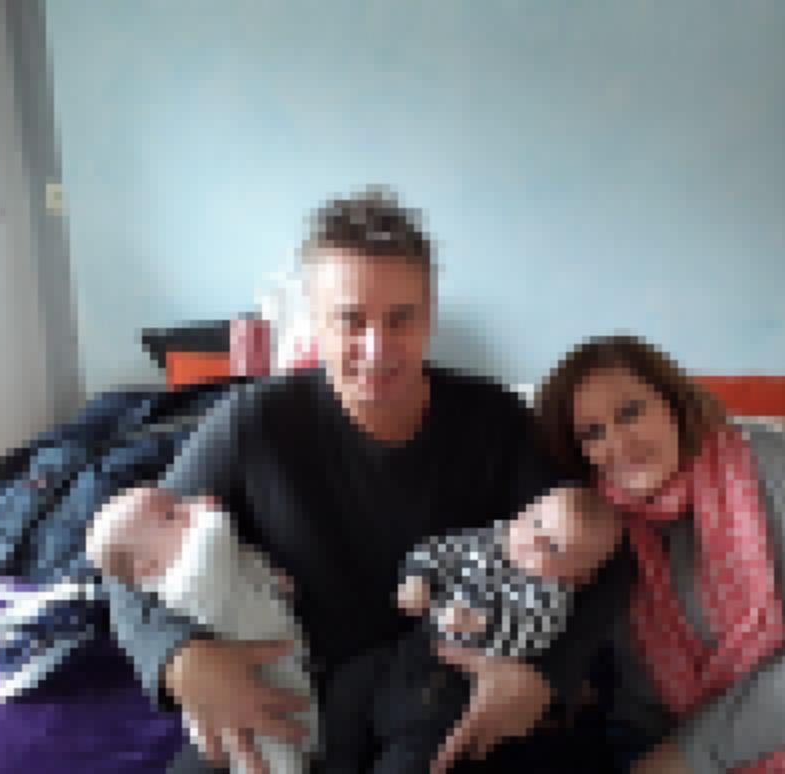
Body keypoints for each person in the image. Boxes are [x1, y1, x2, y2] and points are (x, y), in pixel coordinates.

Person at [98, 189, 629, 774]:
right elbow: (123, 560)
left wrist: (546, 676)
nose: (377, 350)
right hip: (285, 697)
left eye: (401, 318)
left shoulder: (497, 419)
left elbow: (610, 556)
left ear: (429, 315)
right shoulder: (251, 421)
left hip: (441, 701)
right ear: (314, 321)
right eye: (350, 320)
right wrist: (179, 660)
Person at [535, 334, 785, 774]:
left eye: (630, 412)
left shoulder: (766, 461)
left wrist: (689, 756)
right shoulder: (585, 516)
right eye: (593, 433)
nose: (619, 444)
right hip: (663, 728)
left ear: (671, 401)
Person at [323, 485, 625, 774]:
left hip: (452, 690)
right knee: (351, 682)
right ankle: (338, 764)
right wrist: (417, 580)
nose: (534, 540)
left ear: (579, 577)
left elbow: (532, 637)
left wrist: (482, 625)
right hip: (410, 652)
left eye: (554, 546)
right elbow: (438, 551)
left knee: (420, 755)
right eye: (535, 522)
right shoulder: (488, 540)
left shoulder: (551, 597)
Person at [85, 494, 319, 774]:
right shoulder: (182, 583)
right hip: (245, 681)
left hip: (267, 662)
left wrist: (270, 578)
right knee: (269, 750)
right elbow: (215, 547)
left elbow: (240, 562)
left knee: (291, 721)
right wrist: (207, 513)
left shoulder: (186, 557)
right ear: (147, 568)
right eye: (171, 515)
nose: (189, 506)